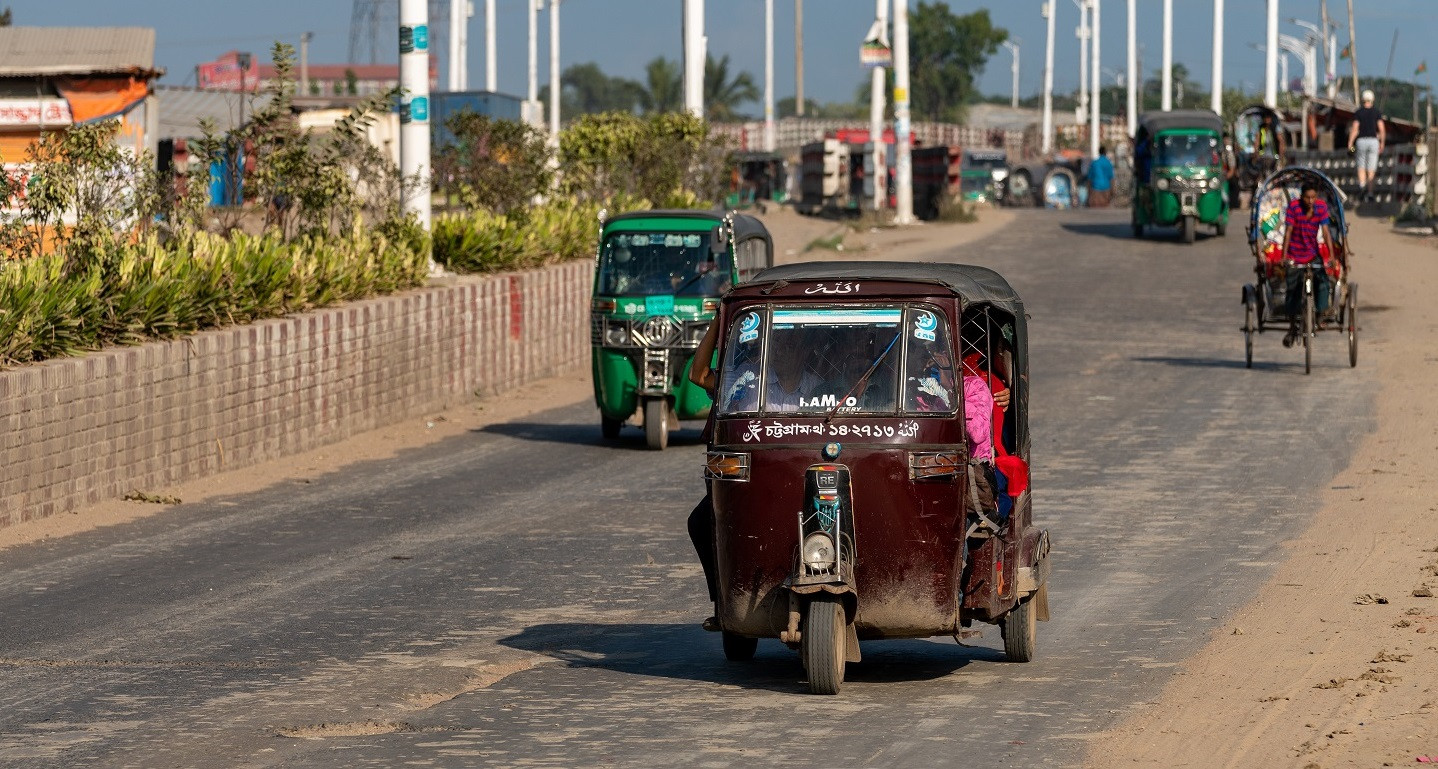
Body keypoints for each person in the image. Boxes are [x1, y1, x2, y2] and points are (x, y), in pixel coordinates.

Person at [1279, 182, 1338, 348]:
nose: (1310, 201)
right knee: (1292, 289)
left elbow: (1325, 232)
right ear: (1301, 197)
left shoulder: (1321, 207)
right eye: (1307, 198)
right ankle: (1292, 327)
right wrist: (1284, 256)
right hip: (1295, 255)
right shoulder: (1294, 208)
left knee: (1323, 283)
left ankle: (1319, 316)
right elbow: (1288, 232)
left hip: (1313, 255)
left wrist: (1331, 256)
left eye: (1313, 197)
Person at [1348, 89, 1386, 201]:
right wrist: (1382, 143)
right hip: (1373, 141)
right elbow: (1381, 129)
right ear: (1372, 99)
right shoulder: (1376, 112)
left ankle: (1362, 186)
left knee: (1361, 166)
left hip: (1361, 141)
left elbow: (1355, 129)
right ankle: (1370, 194)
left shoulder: (1358, 112)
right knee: (1371, 169)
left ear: (1362, 99)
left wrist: (1350, 143)